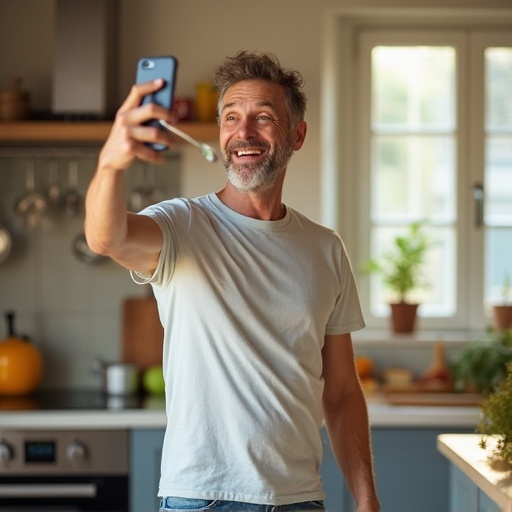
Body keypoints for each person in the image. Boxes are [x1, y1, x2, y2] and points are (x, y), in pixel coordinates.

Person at [85, 51, 380, 512]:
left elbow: (341, 391)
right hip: (202, 499)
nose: (243, 133)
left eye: (263, 117)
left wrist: (366, 499)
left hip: (301, 500)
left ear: (297, 135)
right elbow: (106, 238)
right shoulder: (180, 226)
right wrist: (110, 165)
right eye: (231, 118)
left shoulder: (325, 248)